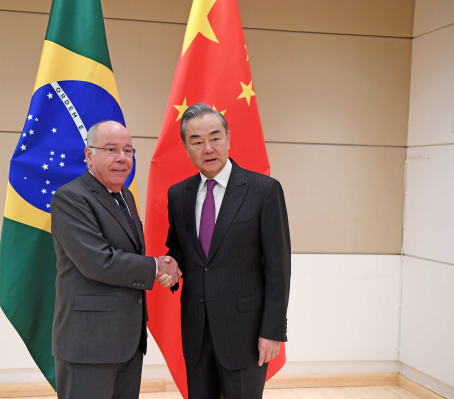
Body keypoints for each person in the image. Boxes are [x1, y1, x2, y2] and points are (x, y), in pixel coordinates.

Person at [162, 103, 291, 399]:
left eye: (215, 137)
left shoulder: (263, 190)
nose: (208, 148)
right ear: (186, 148)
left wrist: (272, 331)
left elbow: (279, 268)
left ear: (228, 138)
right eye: (197, 142)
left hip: (245, 334)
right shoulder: (179, 194)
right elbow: (179, 248)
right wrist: (173, 266)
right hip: (196, 330)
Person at [50, 120, 181, 399]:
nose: (122, 158)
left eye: (128, 150)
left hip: (127, 343)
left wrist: (159, 266)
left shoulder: (125, 197)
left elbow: (128, 254)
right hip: (89, 346)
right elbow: (97, 261)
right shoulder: (71, 198)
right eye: (111, 149)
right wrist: (156, 266)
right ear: (89, 154)